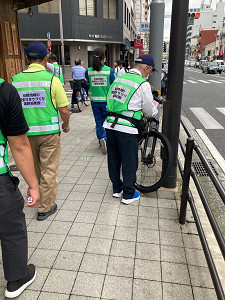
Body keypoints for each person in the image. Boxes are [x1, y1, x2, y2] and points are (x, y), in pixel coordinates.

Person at [12, 41, 70, 221]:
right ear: (46, 58)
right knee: (49, 170)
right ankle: (45, 207)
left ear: (27, 58)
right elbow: (64, 109)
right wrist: (66, 124)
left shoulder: (14, 81)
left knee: (35, 168)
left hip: (24, 135)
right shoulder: (52, 80)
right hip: (49, 134)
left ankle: (36, 194)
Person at [0, 78, 40, 298]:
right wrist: (33, 186)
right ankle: (16, 279)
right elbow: (19, 144)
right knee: (11, 229)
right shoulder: (4, 91)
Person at [103, 55, 158, 204]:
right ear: (147, 68)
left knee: (113, 158)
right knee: (129, 161)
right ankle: (128, 194)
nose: (149, 75)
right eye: (151, 72)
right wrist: (155, 111)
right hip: (127, 128)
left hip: (110, 124)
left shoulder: (119, 78)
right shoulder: (142, 83)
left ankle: (117, 189)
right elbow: (148, 109)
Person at [85, 48, 115, 154]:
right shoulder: (109, 71)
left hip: (94, 102)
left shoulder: (88, 71)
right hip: (107, 102)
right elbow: (113, 85)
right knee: (108, 121)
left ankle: (101, 140)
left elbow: (88, 83)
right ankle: (107, 140)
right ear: (104, 58)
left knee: (98, 122)